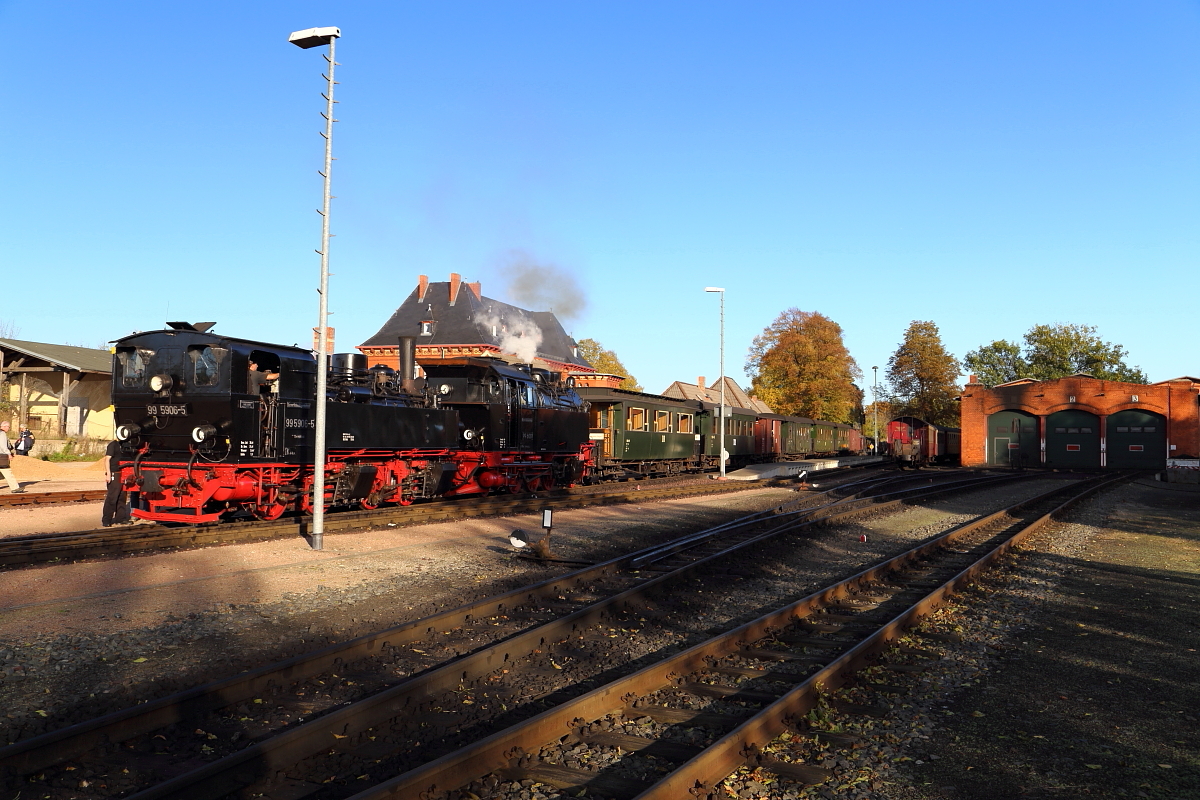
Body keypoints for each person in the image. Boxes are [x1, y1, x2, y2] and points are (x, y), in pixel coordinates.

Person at [102, 438, 130, 527]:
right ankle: (106, 520)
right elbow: (107, 459)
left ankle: (120, 519)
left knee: (122, 497)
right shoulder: (113, 444)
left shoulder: (126, 445)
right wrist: (109, 474)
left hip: (123, 473)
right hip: (114, 473)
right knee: (112, 497)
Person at [0, 421, 24, 493]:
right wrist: (8, 454)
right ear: (4, 426)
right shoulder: (2, 434)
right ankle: (15, 488)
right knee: (7, 472)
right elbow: (3, 445)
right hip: (2, 456)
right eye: (8, 427)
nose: (9, 428)